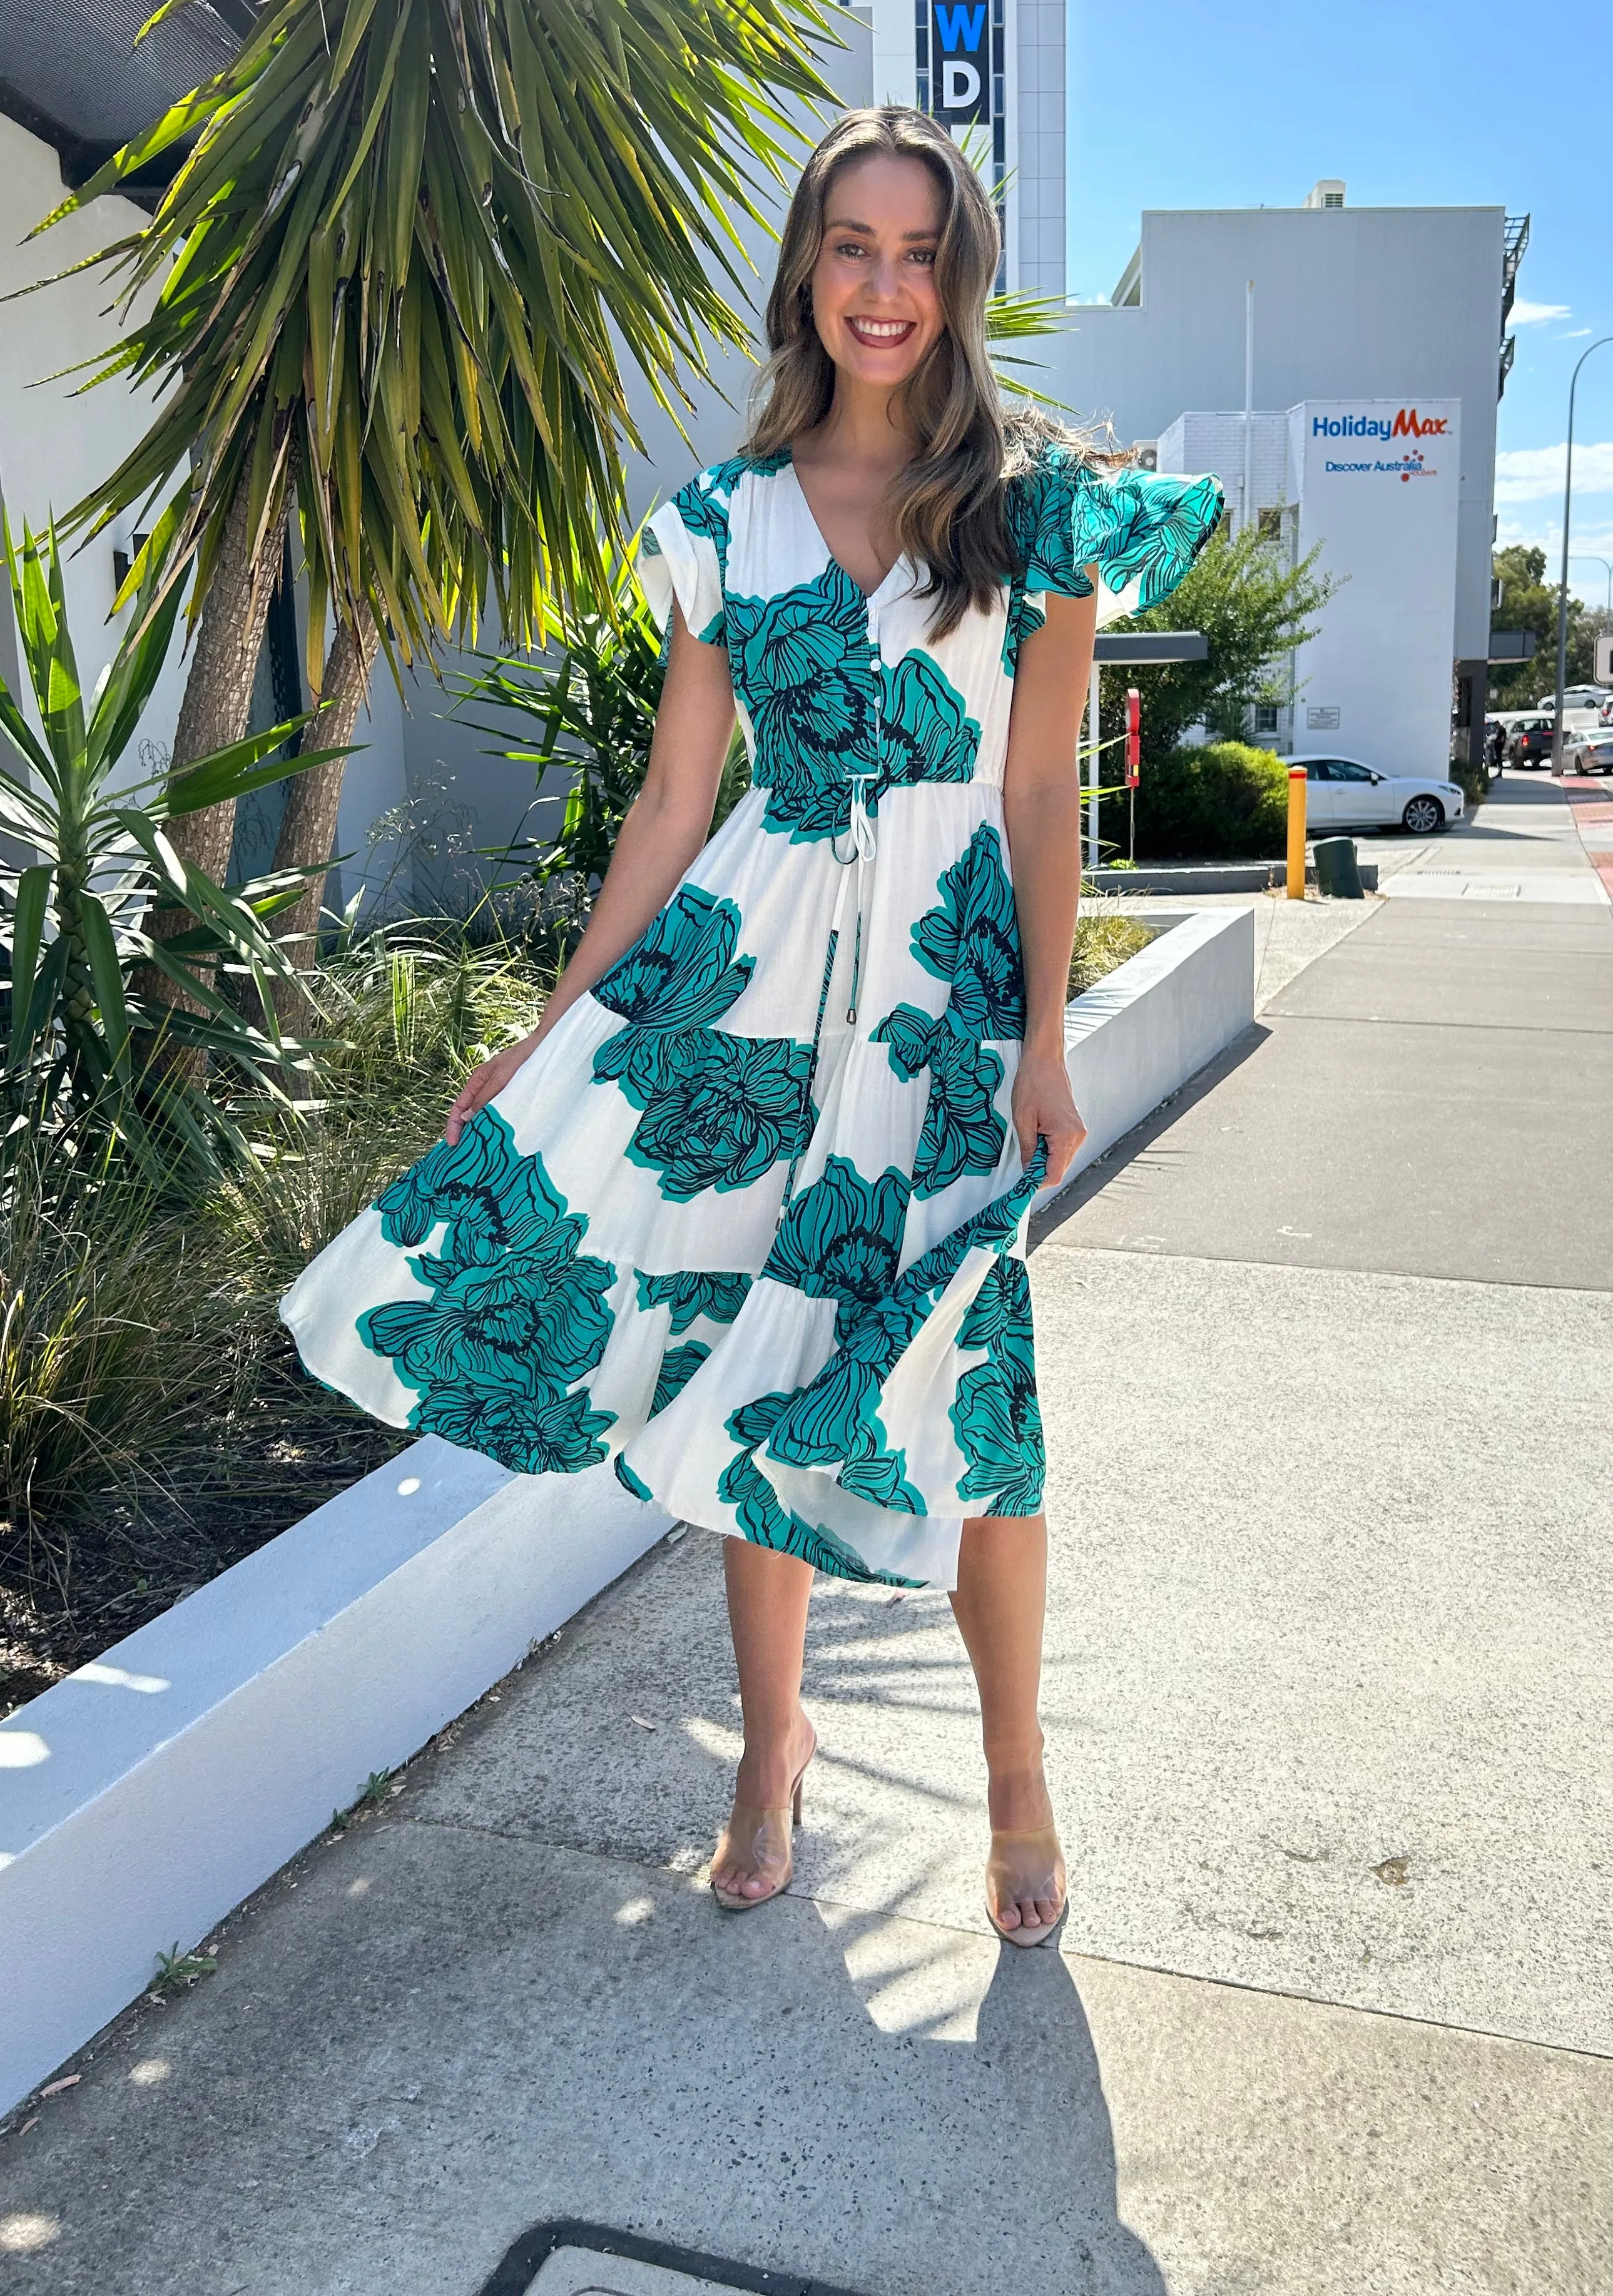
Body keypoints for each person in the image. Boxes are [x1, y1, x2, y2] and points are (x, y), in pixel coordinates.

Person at [281, 106, 1221, 1948]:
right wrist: (553, 1036)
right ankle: (771, 1747)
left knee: (976, 1392)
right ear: (807, 269)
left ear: (961, 283)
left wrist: (1045, 1034)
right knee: (754, 1379)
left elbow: (1042, 798)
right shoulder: (726, 521)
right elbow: (666, 804)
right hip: (749, 1007)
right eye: (854, 247)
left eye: (921, 252)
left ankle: (1015, 1774)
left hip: (945, 1025)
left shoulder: (1032, 519)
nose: (887, 286)